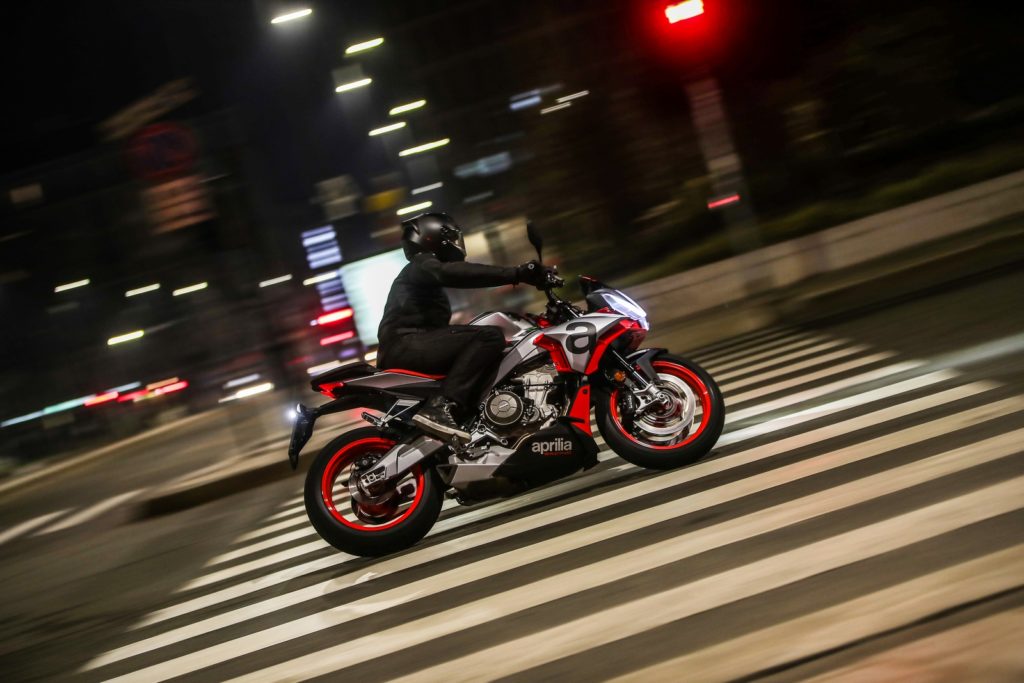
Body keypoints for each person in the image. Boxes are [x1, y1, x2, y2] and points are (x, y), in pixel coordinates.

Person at [377, 212, 553, 440]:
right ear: (435, 236)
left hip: (411, 346)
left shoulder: (423, 273)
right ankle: (441, 406)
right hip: (406, 346)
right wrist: (517, 273)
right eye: (452, 237)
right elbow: (453, 273)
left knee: (485, 345)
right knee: (489, 337)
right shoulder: (421, 265)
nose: (457, 242)